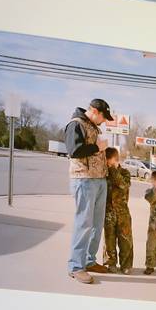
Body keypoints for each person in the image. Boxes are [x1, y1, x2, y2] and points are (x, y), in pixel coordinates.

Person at [64, 98, 113, 284]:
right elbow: (74, 150)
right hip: (83, 180)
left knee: (96, 223)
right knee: (83, 224)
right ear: (94, 111)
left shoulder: (92, 125)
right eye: (103, 116)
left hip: (99, 180)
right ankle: (76, 267)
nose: (104, 120)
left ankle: (90, 261)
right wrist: (97, 147)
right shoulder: (75, 125)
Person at [102, 147, 133, 274]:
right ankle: (111, 263)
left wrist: (113, 170)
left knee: (125, 239)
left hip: (123, 213)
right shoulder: (104, 173)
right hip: (108, 212)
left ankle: (126, 265)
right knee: (109, 239)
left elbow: (123, 185)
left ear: (115, 159)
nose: (107, 163)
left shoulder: (125, 173)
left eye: (109, 160)